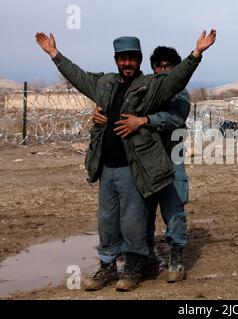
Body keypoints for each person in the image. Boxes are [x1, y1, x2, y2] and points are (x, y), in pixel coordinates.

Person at [35, 30, 216, 292]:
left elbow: (174, 95)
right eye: (123, 58)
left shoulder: (158, 89)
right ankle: (125, 263)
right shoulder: (112, 85)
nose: (128, 63)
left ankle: (160, 261)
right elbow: (81, 78)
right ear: (117, 60)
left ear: (139, 60)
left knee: (164, 212)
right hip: (121, 164)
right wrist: (55, 55)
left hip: (157, 161)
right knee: (116, 219)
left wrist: (196, 53)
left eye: (132, 58)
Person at [93, 46, 191, 283]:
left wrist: (146, 120)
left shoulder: (178, 94)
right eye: (159, 66)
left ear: (176, 68)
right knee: (141, 212)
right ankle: (145, 260)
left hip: (170, 158)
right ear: (153, 68)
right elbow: (122, 109)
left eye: (169, 66)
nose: (163, 70)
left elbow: (175, 118)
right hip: (143, 161)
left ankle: (175, 258)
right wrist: (101, 112)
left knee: (173, 208)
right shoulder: (146, 90)